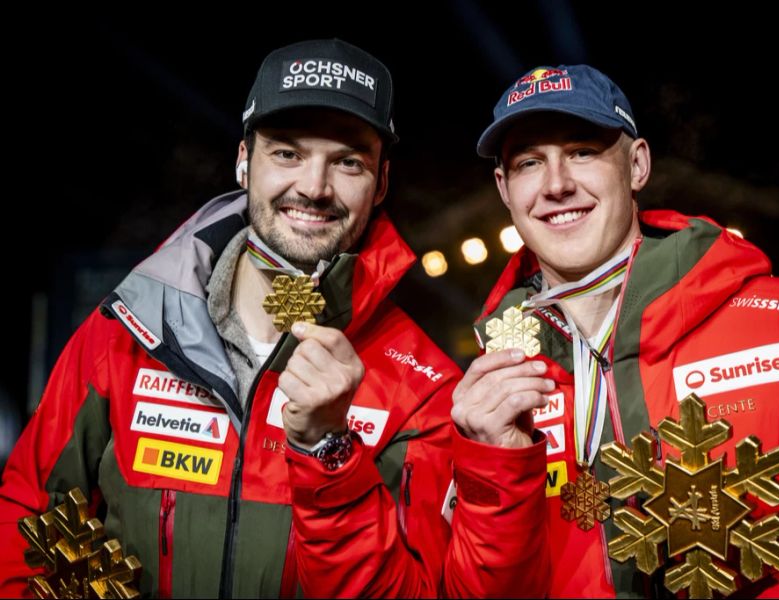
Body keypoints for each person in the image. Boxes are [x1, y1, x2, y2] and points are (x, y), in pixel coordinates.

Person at [0, 39, 463, 598]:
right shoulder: (127, 331)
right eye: (287, 153)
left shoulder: (424, 387)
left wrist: (330, 451)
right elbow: (26, 516)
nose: (314, 188)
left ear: (381, 183)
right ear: (244, 161)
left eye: (347, 162)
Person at [450, 64, 779, 597]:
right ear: (504, 188)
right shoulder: (490, 383)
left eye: (583, 151)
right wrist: (493, 465)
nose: (556, 184)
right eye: (529, 161)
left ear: (637, 165)